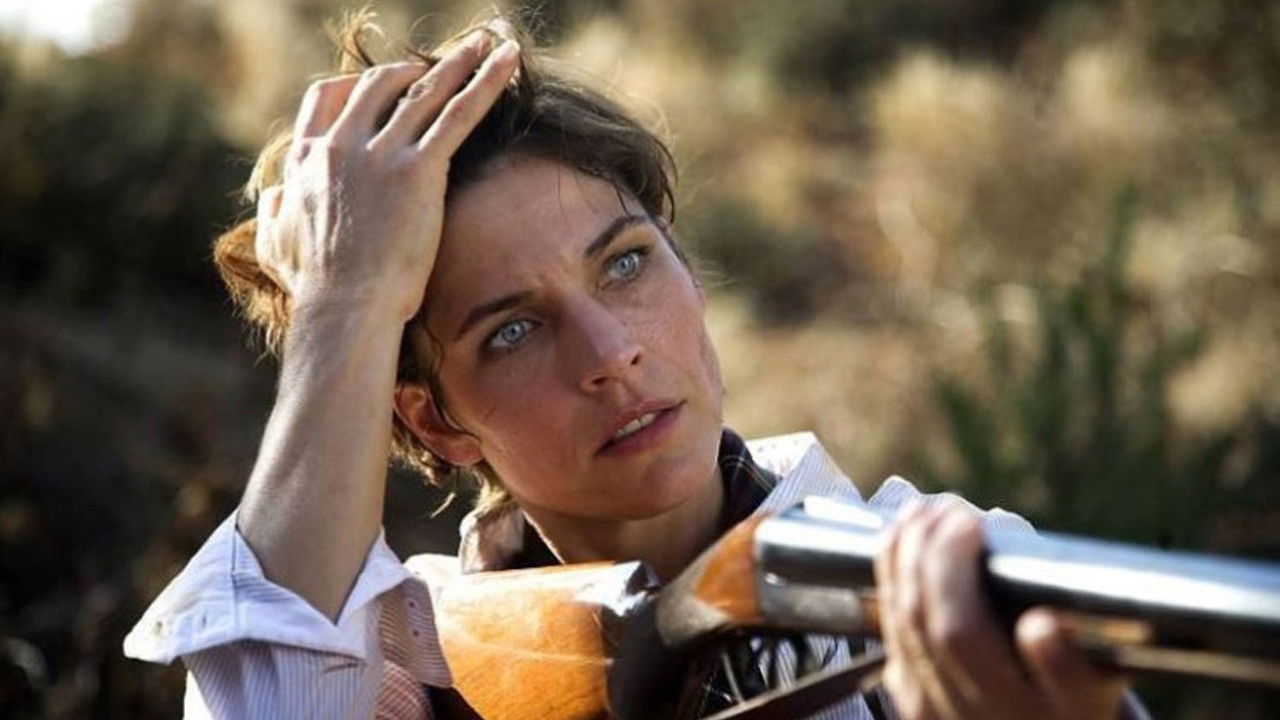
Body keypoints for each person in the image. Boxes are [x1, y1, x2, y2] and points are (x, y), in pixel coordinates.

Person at [123, 10, 1144, 720]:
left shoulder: (952, 577)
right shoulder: (409, 673)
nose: (612, 355)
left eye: (623, 264)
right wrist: (343, 302)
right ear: (433, 421)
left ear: (685, 266)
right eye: (511, 331)